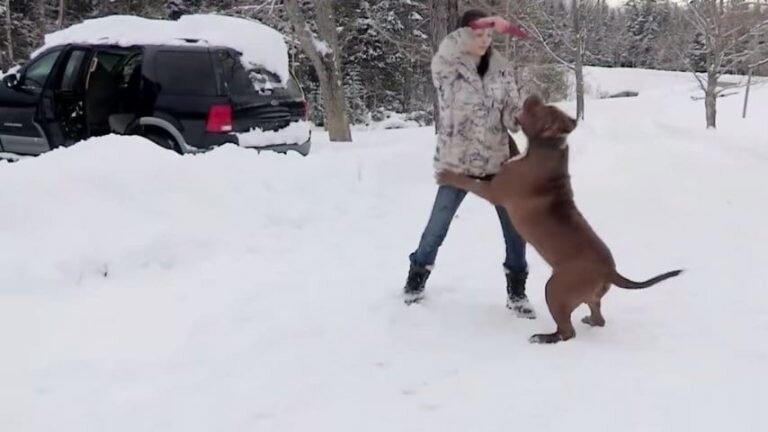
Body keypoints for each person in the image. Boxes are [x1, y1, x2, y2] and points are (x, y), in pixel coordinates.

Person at [402, 9, 535, 319]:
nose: (484, 41)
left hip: (497, 163)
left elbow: (511, 118)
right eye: (477, 34)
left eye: (488, 35)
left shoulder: (501, 71)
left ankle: (517, 290)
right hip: (458, 164)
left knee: (515, 229)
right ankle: (416, 278)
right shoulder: (447, 68)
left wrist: (525, 115)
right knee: (437, 225)